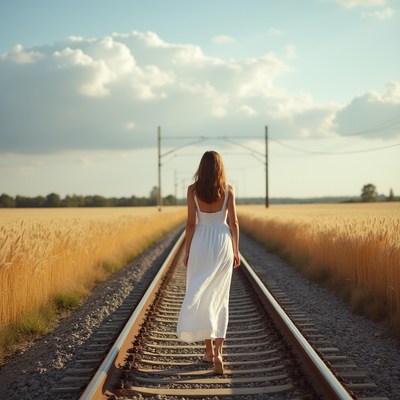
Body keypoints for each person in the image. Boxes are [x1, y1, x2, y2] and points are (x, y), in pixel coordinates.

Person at [176, 150, 240, 375]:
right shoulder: (228, 190)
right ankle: (220, 352)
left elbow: (191, 224)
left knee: (202, 294)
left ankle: (208, 352)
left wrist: (187, 251)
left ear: (201, 167)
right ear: (220, 168)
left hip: (201, 242)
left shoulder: (193, 190)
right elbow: (234, 223)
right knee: (220, 297)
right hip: (223, 242)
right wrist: (236, 250)